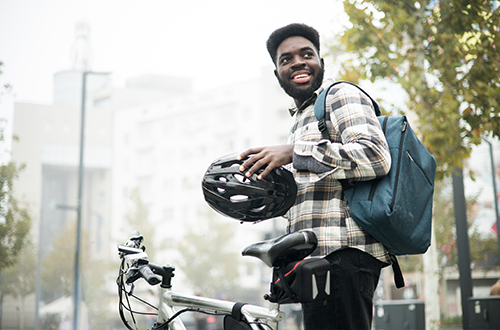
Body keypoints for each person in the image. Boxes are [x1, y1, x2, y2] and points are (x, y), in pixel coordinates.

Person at [238, 23, 392, 330]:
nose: (297, 62)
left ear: (320, 61)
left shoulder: (339, 96)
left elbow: (376, 156)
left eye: (306, 54)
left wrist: (295, 152)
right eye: (286, 59)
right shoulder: (302, 118)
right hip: (318, 262)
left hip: (342, 257)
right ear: (277, 73)